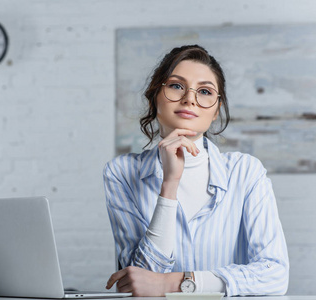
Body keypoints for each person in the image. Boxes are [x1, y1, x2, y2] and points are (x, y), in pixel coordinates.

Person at [103, 45, 289, 297]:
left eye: (204, 91)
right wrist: (169, 185)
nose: (190, 98)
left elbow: (274, 274)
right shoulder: (122, 172)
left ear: (215, 111)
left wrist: (176, 282)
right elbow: (138, 282)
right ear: (154, 96)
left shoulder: (245, 172)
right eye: (176, 86)